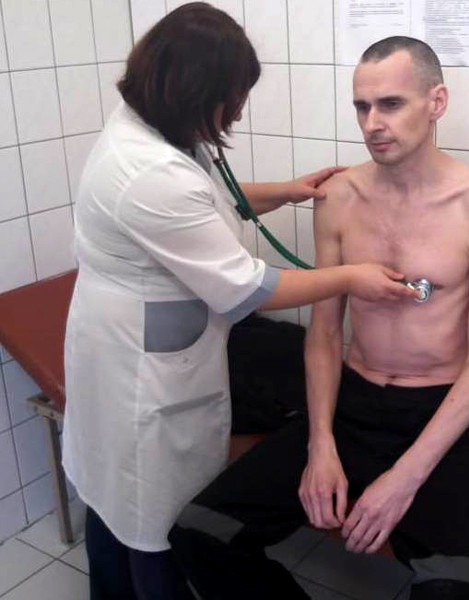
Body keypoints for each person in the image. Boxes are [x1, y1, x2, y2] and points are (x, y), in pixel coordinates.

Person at [61, 5, 413, 599]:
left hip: (131, 338)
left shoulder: (153, 129)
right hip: (140, 373)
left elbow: (205, 198)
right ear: (195, 91)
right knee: (150, 519)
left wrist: (288, 191)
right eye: (235, 97)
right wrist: (354, 276)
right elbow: (249, 289)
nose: (241, 111)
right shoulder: (146, 171)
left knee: (116, 499)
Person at [168, 36, 469, 599]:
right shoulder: (339, 197)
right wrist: (320, 445)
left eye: (391, 104)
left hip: (438, 410)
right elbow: (326, 333)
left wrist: (403, 479)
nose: (373, 123)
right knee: (200, 534)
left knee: (462, 590)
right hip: (352, 403)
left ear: (436, 102)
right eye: (362, 106)